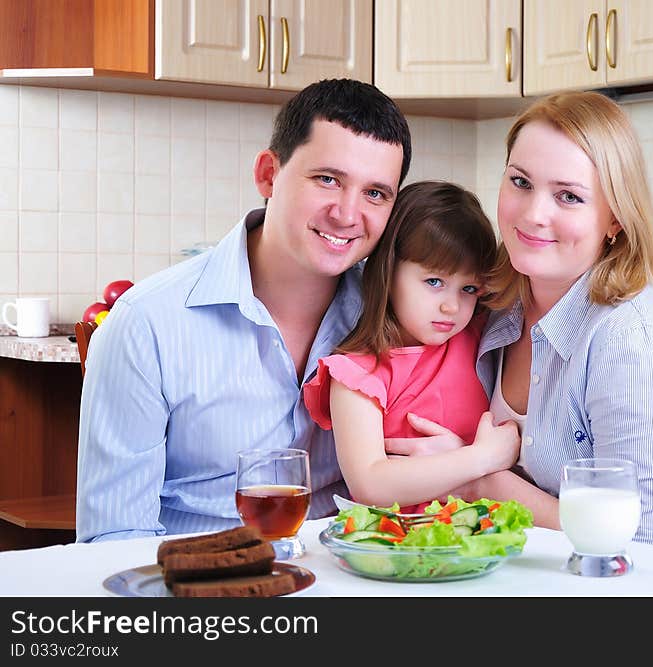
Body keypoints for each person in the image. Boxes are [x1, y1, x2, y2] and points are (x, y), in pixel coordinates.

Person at [390, 91, 653, 570]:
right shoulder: (495, 305)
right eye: (520, 182)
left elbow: (642, 546)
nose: (533, 213)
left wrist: (476, 479)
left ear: (616, 219)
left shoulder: (634, 340)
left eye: (569, 196)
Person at [76, 78, 412, 542]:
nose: (348, 213)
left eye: (375, 193)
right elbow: (113, 540)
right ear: (268, 175)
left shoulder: (398, 323)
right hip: (202, 594)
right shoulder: (145, 324)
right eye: (328, 179)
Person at [303, 181, 520, 511]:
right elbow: (370, 483)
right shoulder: (357, 373)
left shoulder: (476, 336)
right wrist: (481, 458)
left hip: (480, 539)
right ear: (388, 272)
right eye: (434, 282)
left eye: (468, 288)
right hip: (394, 545)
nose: (452, 306)